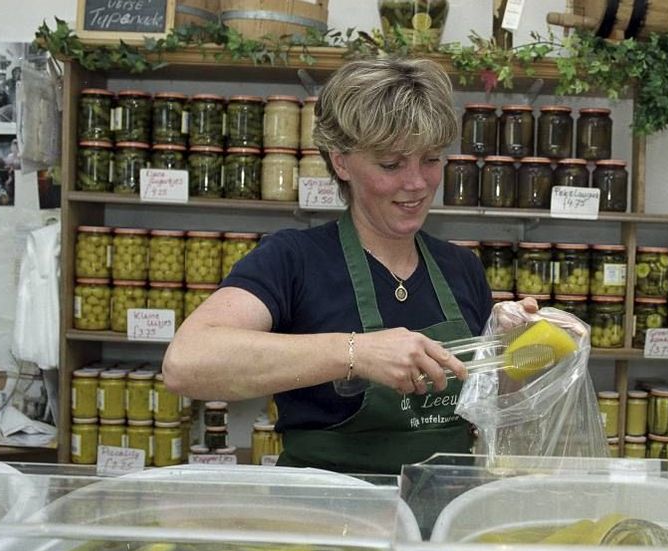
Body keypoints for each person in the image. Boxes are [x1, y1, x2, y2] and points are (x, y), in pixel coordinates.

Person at [163, 57, 535, 473]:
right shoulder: (294, 260)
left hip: (439, 514)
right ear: (342, 161)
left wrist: (514, 347)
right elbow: (187, 364)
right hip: (325, 521)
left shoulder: (461, 267)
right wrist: (355, 352)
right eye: (391, 164)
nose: (416, 183)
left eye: (430, 159)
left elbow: (492, 405)